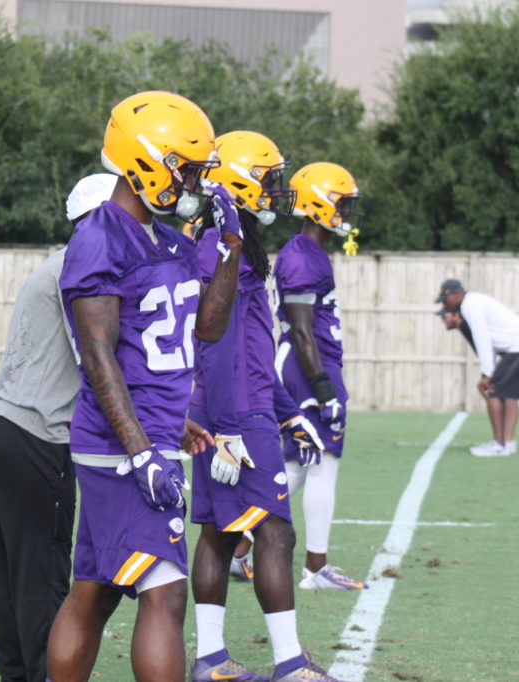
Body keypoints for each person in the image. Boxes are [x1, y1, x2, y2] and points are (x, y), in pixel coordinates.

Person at [46, 91, 244, 682]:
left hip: (147, 437)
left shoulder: (169, 240)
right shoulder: (101, 235)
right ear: (146, 162)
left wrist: (230, 249)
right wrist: (139, 450)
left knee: (96, 591)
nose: (191, 181)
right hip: (120, 447)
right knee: (166, 596)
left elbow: (208, 326)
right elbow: (98, 354)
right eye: (184, 167)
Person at [187, 131, 336, 682]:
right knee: (274, 532)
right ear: (239, 180)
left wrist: (288, 410)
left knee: (220, 534)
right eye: (268, 179)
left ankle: (209, 658)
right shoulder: (220, 248)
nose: (275, 191)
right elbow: (215, 345)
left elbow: (252, 350)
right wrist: (226, 426)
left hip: (243, 407)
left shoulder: (238, 243)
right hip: (233, 414)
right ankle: (290, 664)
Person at [0, 173, 115, 682]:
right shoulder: (84, 269)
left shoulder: (55, 263)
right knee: (43, 574)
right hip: (37, 435)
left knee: (7, 574)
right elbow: (97, 364)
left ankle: (17, 674)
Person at [274, 162, 369, 591]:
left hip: (311, 366)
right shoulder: (299, 257)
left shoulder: (309, 252)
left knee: (299, 464)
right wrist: (323, 388)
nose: (348, 211)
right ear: (320, 203)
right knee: (319, 465)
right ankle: (315, 568)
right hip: (306, 368)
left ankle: (237, 547)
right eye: (342, 202)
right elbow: (300, 329)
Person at [435, 279, 519, 457]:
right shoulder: (471, 303)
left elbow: (482, 339)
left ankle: (500, 444)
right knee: (507, 395)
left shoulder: (470, 306)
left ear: (455, 295)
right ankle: (507, 443)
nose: (445, 306)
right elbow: (487, 343)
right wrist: (488, 372)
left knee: (492, 390)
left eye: (445, 301)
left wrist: (487, 374)